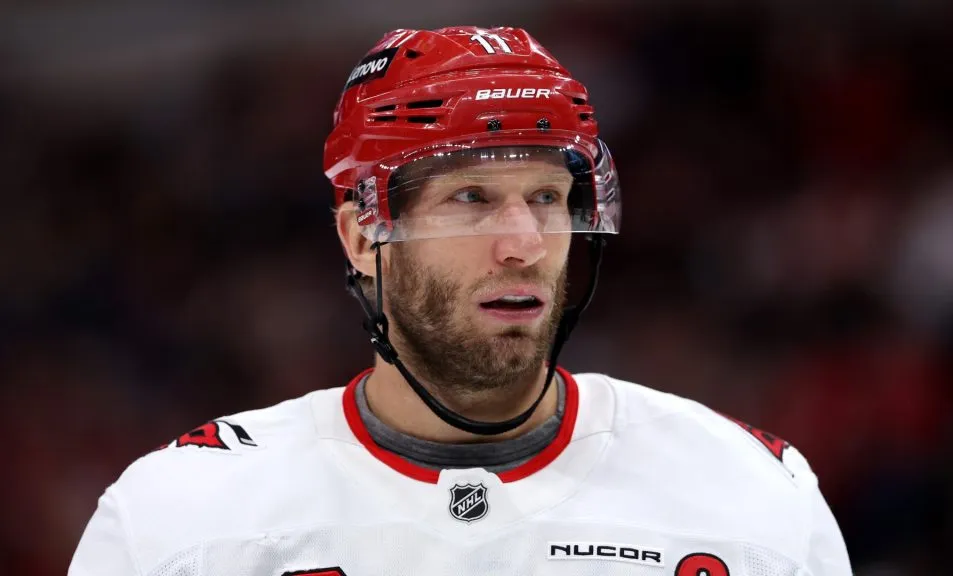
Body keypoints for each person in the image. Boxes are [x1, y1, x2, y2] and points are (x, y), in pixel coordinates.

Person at [69, 26, 852, 576]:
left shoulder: (751, 494)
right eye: (472, 197)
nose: (524, 242)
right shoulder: (180, 517)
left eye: (546, 197)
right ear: (360, 235)